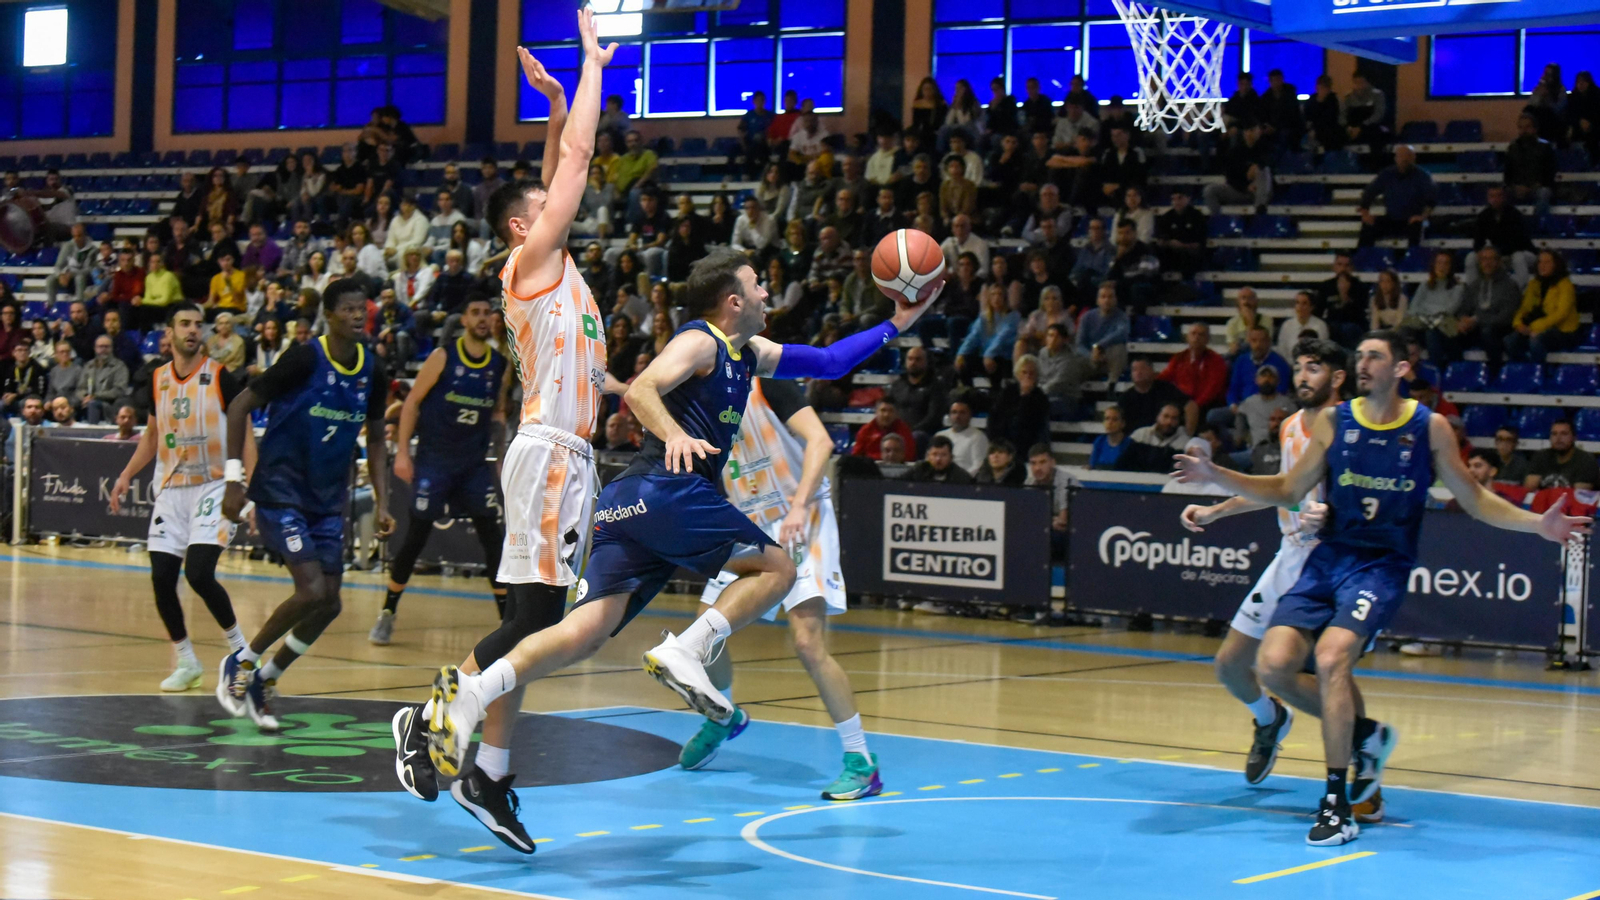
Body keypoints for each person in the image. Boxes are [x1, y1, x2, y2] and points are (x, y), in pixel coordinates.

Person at [418, 228, 940, 836]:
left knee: (583, 633)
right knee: (778, 567)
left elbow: (830, 362)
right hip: (666, 490)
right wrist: (676, 435)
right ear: (733, 300)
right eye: (757, 285)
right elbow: (643, 389)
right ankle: (685, 650)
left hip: (629, 506)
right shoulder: (700, 341)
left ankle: (473, 694)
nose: (767, 293)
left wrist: (900, 322)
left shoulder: (749, 353)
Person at [1173, 329, 1589, 846]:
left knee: (1331, 659)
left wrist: (1536, 525)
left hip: (1380, 567)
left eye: (1375, 356)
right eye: (1361, 355)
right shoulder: (1334, 421)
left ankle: (1336, 804)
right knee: (1273, 666)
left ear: (1401, 369)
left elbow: (1475, 498)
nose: (1364, 363)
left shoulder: (1429, 427)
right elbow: (1286, 488)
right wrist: (1217, 475)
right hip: (1326, 559)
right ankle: (1365, 738)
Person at [386, 28, 635, 853]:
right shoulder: (530, 264)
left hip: (565, 456)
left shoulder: (554, 269)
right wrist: (591, 71)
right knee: (542, 623)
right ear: (526, 225)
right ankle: (430, 719)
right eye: (548, 203)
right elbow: (577, 162)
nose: (565, 201)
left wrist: (555, 106)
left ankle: (488, 773)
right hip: (550, 455)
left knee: (530, 623)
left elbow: (559, 163)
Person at [680, 376, 881, 798]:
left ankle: (861, 761)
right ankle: (722, 716)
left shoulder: (767, 380)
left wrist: (799, 507)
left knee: (807, 642)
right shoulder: (701, 401)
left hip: (801, 516)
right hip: (751, 524)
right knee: (705, 632)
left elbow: (821, 442)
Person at [1177, 341, 1364, 794]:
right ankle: (1270, 718)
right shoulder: (1291, 427)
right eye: (1298, 368)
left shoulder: (1354, 429)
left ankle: (1363, 748)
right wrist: (1216, 511)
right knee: (1229, 666)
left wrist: (1334, 517)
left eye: (1313, 368)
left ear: (1338, 377)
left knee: (1328, 671)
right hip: (1291, 554)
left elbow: (1367, 500)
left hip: (1336, 561)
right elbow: (1280, 489)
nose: (1301, 376)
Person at [215, 278, 392, 732]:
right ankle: (243, 662)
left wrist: (383, 500)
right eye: (348, 308)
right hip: (282, 489)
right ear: (329, 316)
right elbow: (239, 406)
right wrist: (234, 480)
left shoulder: (373, 370)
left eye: (362, 307)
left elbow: (376, 440)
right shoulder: (304, 358)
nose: (358, 315)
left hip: (327, 499)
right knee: (311, 590)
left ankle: (266, 679)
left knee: (329, 604)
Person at [108, 304, 252, 691]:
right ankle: (187, 661)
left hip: (214, 484)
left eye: (197, 325)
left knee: (199, 573)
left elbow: (246, 435)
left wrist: (247, 487)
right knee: (161, 577)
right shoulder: (157, 378)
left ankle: (243, 654)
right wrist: (126, 475)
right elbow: (152, 436)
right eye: (184, 324)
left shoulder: (220, 375)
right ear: (169, 333)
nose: (192, 330)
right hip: (171, 488)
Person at [372, 297, 512, 644]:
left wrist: (501, 459)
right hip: (435, 462)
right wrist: (402, 453)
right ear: (464, 320)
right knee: (416, 537)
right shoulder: (443, 356)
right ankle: (387, 611)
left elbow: (497, 414)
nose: (482, 319)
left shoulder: (499, 364)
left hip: (473, 465)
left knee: (493, 538)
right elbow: (411, 403)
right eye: (475, 312)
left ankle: (509, 623)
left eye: (487, 313)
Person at [1505, 250, 1580, 364]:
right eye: (1540, 262)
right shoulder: (1534, 284)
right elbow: (1525, 308)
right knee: (1510, 341)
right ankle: (1522, 368)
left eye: (1547, 262)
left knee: (1536, 340)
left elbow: (1561, 313)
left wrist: (1537, 326)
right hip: (1535, 327)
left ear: (1556, 265)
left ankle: (1540, 370)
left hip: (1563, 331)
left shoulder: (1565, 285)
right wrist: (1518, 323)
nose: (1542, 265)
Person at [1357, 146, 1435, 248]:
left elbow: (1431, 200)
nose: (1404, 159)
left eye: (1408, 156)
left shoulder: (1423, 176)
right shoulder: (1387, 174)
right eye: (1401, 156)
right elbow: (1370, 192)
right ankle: (1361, 255)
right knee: (1368, 225)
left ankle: (1413, 255)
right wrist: (1365, 212)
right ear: (1396, 158)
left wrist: (1422, 216)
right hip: (1391, 219)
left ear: (1413, 158)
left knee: (1417, 226)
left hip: (1412, 220)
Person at [1162, 322, 1229, 435]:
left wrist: (1194, 406)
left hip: (1207, 405)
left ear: (1207, 339)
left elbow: (1213, 389)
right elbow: (1165, 378)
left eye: (1201, 334)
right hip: (1182, 404)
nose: (1196, 337)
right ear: (1187, 337)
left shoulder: (1217, 361)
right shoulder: (1178, 358)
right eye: (1193, 334)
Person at [1204, 121, 1272, 214]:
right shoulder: (1235, 151)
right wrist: (1245, 187)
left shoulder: (1265, 148)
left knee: (1263, 170)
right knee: (1210, 190)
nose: (1250, 133)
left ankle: (1260, 209)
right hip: (1240, 190)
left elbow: (1271, 166)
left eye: (1253, 130)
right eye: (1248, 130)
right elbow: (1230, 177)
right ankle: (1218, 219)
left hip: (1260, 190)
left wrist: (1258, 166)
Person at [1075, 281, 1129, 384]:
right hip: (1090, 359)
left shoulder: (1121, 317)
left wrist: (1099, 346)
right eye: (1103, 297)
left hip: (1110, 358)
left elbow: (1121, 333)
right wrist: (1092, 355)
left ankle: (1112, 385)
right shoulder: (1087, 317)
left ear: (1115, 300)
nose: (1106, 300)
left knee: (1119, 348)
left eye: (1110, 297)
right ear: (1097, 300)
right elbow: (1079, 344)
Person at [1504, 112, 1556, 217]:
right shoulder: (1513, 148)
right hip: (1517, 189)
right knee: (1500, 193)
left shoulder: (1545, 147)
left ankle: (1538, 223)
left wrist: (1532, 187)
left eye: (1527, 127)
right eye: (1521, 127)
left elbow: (1550, 173)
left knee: (1544, 193)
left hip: (1537, 188)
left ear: (1535, 129)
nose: (1524, 131)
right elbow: (1507, 174)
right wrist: (1515, 187)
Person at [1525, 419, 1599, 491]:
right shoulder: (1540, 456)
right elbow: (1529, 488)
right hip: (1544, 499)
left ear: (1574, 437)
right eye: (1554, 434)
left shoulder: (1586, 460)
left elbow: (1579, 494)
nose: (1558, 438)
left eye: (1564, 434)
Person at [1026, 442, 1071, 558]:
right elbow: (1025, 517)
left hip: (1071, 535)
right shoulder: (1029, 482)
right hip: (1044, 529)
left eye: (1042, 462)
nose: (1037, 468)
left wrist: (1041, 522)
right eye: (1033, 463)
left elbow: (1063, 522)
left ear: (1052, 463)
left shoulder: (1066, 481)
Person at [81, 334, 131, 425]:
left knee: (93, 404)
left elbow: (119, 390)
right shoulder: (88, 366)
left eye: (106, 347)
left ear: (112, 348)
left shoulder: (119, 366)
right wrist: (85, 397)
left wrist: (95, 396)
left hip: (110, 404)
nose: (103, 349)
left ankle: (93, 431)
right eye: (100, 347)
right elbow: (80, 388)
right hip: (87, 402)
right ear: (95, 348)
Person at [851, 397, 915, 461]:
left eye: (891, 411)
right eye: (883, 410)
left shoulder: (904, 430)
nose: (886, 415)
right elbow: (856, 456)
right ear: (876, 412)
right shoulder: (866, 430)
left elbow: (909, 455)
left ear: (896, 414)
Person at [936, 399, 989, 477]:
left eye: (962, 413)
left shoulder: (978, 437)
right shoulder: (940, 435)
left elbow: (978, 466)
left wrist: (961, 478)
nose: (957, 416)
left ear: (970, 416)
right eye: (954, 412)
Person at [1277, 291, 1329, 361]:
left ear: (1311, 307)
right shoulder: (1287, 325)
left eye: (1304, 303)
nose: (1300, 307)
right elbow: (1282, 351)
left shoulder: (1320, 325)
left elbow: (1322, 351)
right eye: (1297, 303)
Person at [907, 434, 974, 484]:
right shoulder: (919, 470)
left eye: (943, 455)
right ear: (927, 456)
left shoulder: (961, 477)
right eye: (934, 454)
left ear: (951, 457)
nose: (938, 459)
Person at [1089, 404, 1130, 469]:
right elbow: (1092, 465)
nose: (1110, 422)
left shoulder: (1129, 444)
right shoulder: (1099, 441)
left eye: (1115, 419)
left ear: (1122, 423)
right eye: (1107, 419)